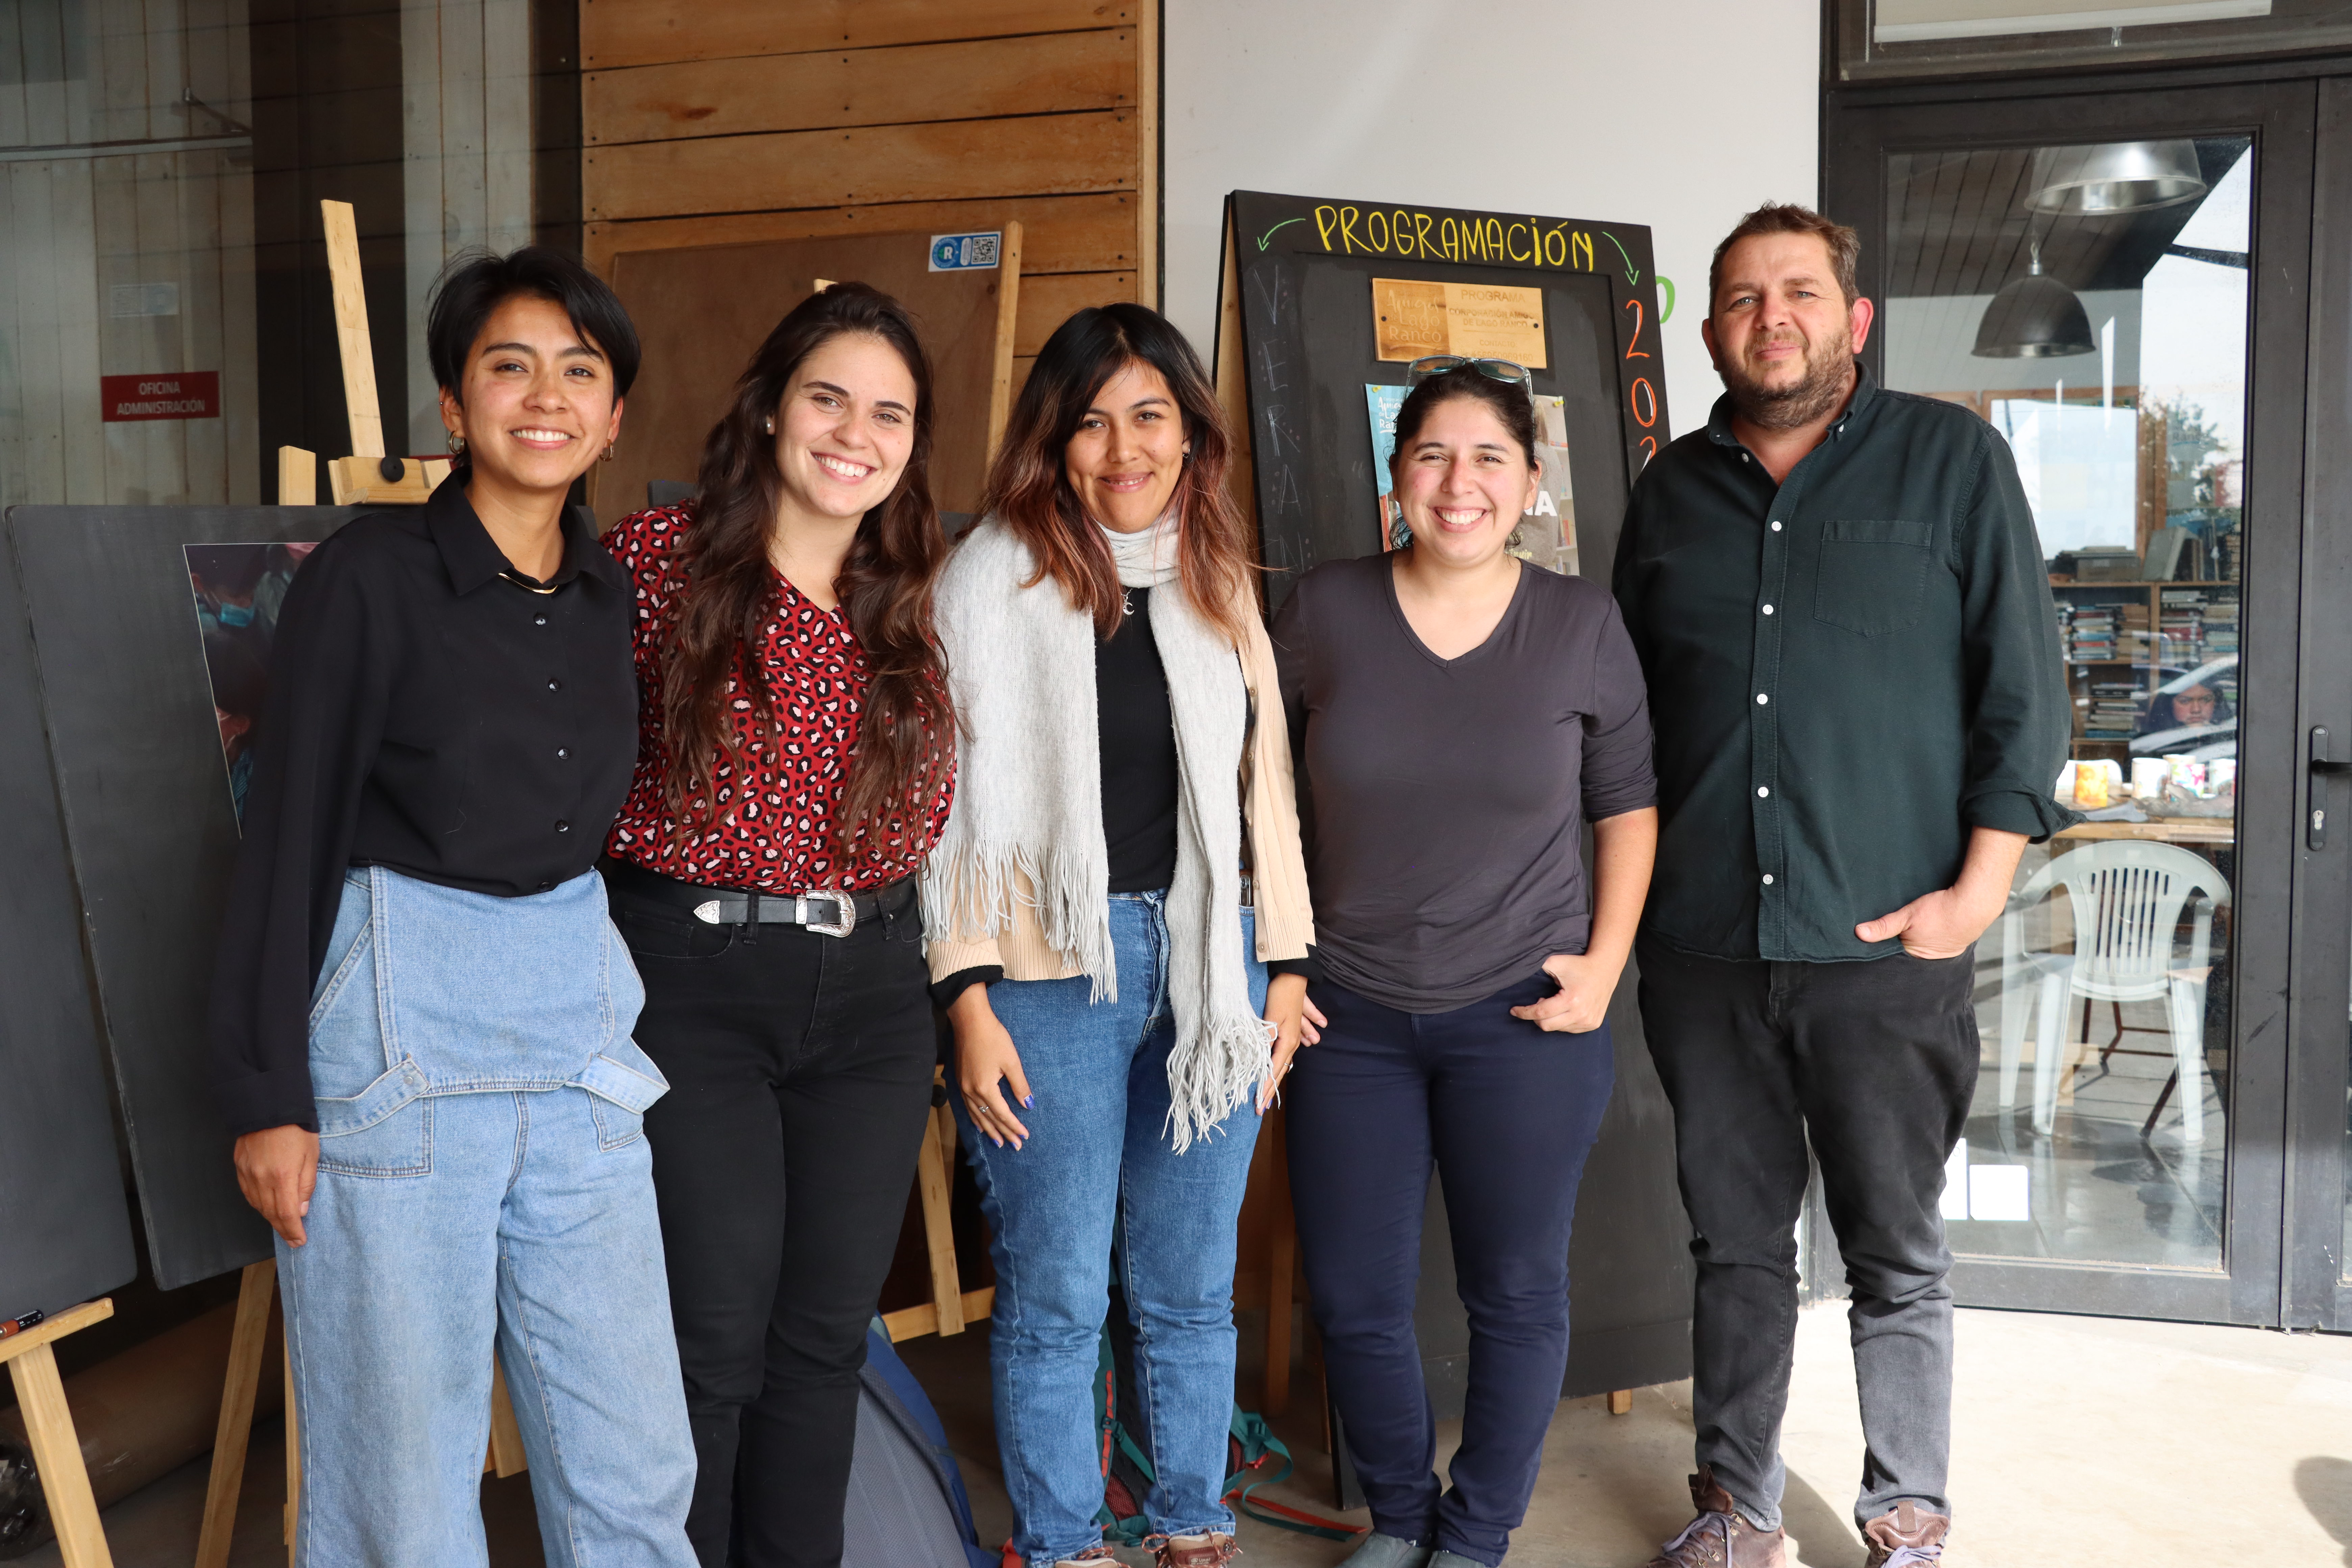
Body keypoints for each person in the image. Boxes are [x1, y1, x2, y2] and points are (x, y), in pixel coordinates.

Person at [208, 247, 696, 1567]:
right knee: (403, 1480)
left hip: (577, 1031)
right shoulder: (368, 577)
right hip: (400, 1028)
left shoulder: (604, 591)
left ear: (610, 414)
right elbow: (291, 825)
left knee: (635, 1451)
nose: (546, 396)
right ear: (452, 402)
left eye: (579, 371)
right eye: (509, 364)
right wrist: (268, 1091)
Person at [1612, 203, 2074, 1568]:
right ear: (1711, 330)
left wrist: (1976, 895)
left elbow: (2025, 696)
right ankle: (1738, 1506)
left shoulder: (1955, 464)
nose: (1774, 319)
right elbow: (1621, 721)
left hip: (1890, 945)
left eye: (1800, 292)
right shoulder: (1668, 495)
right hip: (1704, 946)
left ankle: (1905, 1503)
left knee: (1894, 1243)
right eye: (1746, 297)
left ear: (1853, 319)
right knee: (1738, 1243)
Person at [925, 302, 1315, 1568]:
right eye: (1091, 421)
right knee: (1055, 1297)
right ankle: (1064, 1540)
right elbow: (944, 805)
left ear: (1190, 435)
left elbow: (1266, 794)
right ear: (1055, 438)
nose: (1122, 446)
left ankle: (1193, 1526)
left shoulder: (1214, 580)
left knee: (1192, 1290)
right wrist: (966, 997)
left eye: (1149, 416)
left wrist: (1288, 962)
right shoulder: (988, 581)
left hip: (1212, 963)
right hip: (1048, 975)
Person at [1270, 364, 1659, 1568]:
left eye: (1490, 457)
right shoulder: (1324, 610)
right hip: (1349, 1015)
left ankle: (1478, 1532)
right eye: (1432, 454)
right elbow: (1260, 800)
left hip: (1525, 1016)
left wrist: (1603, 965)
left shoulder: (1581, 624)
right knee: (1356, 1296)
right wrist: (1281, 964)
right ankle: (1401, 1519)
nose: (1460, 483)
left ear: (1531, 483)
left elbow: (1629, 809)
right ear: (1394, 479)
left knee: (1517, 1293)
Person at [599, 283, 956, 1568]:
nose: (854, 433)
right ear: (768, 412)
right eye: (827, 397)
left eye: (890, 412)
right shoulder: (656, 563)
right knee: (714, 1336)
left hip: (870, 991)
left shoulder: (914, 593)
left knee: (822, 1336)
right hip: (692, 976)